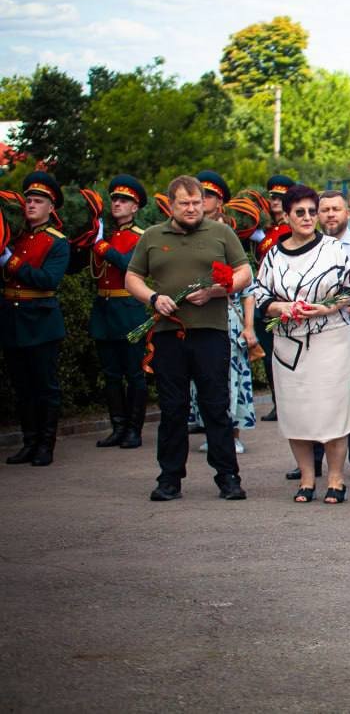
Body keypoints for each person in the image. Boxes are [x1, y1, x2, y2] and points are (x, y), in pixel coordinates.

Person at [125, 175, 253, 501]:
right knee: (173, 408)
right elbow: (132, 278)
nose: (193, 208)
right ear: (171, 205)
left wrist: (216, 290)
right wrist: (154, 298)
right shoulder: (153, 236)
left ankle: (228, 477)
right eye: (185, 203)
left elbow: (244, 272)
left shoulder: (221, 232)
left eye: (197, 202)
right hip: (169, 334)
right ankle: (169, 479)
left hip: (210, 333)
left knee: (215, 405)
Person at [252, 185, 350, 504]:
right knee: (295, 411)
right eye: (300, 212)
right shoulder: (274, 253)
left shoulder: (334, 249)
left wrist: (326, 307)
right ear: (286, 216)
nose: (308, 217)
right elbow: (259, 293)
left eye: (313, 211)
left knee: (331, 410)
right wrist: (278, 307)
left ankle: (336, 479)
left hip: (331, 339)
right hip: (288, 342)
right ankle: (307, 478)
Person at [287, 190, 350, 482]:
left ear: (347, 212)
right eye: (322, 209)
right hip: (311, 330)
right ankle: (310, 461)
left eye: (335, 209)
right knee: (312, 395)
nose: (329, 215)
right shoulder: (301, 247)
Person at [2, 171, 70, 467]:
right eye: (28, 200)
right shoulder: (13, 237)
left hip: (41, 321)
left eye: (38, 201)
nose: (31, 205)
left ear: (50, 208)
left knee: (45, 387)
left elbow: (48, 280)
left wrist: (11, 262)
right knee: (22, 386)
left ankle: (45, 444)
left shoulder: (57, 242)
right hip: (11, 320)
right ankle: (29, 442)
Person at [192, 170, 256, 454]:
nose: (202, 200)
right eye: (199, 195)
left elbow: (247, 285)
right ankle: (212, 430)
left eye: (208, 195)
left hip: (228, 316)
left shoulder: (228, 233)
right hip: (196, 313)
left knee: (232, 374)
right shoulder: (187, 232)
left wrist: (249, 326)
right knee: (202, 375)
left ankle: (233, 433)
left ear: (220, 202)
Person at [89, 175, 150, 450]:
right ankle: (118, 426)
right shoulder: (109, 235)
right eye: (114, 199)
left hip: (129, 311)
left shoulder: (142, 237)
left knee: (134, 373)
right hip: (105, 310)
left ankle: (134, 430)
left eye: (124, 200)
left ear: (135, 207)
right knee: (111, 374)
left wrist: (102, 247)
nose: (117, 204)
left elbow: (128, 264)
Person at [254, 173, 296, 422]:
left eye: (282, 197)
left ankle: (288, 402)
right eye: (273, 197)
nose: (276, 202)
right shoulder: (264, 230)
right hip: (264, 298)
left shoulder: (290, 230)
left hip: (284, 299)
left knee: (286, 353)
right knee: (270, 354)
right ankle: (277, 402)